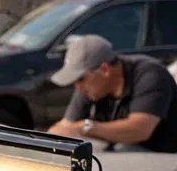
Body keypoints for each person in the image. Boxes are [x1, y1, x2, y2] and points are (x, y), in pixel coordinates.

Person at [46, 34, 177, 152]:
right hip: (127, 154)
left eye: (81, 78)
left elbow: (140, 130)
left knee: (121, 149)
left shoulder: (150, 74)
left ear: (105, 69)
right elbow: (64, 127)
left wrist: (85, 127)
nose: (77, 86)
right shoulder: (89, 86)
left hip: (165, 160)